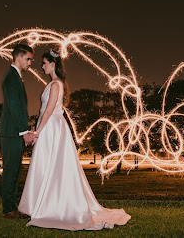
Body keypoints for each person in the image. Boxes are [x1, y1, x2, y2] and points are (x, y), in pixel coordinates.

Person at [18, 49, 131, 230]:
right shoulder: (54, 83)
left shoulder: (56, 84)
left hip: (51, 127)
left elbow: (48, 110)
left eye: (45, 63)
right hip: (49, 125)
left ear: (53, 65)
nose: (42, 66)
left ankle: (52, 206)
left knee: (52, 165)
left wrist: (37, 131)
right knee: (46, 164)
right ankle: (41, 203)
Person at [0, 44, 37, 219]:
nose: (30, 63)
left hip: (14, 132)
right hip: (12, 132)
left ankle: (11, 207)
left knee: (14, 170)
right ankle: (8, 208)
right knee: (11, 170)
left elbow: (18, 107)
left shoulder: (15, 77)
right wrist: (24, 131)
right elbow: (15, 106)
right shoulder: (11, 78)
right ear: (18, 57)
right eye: (28, 59)